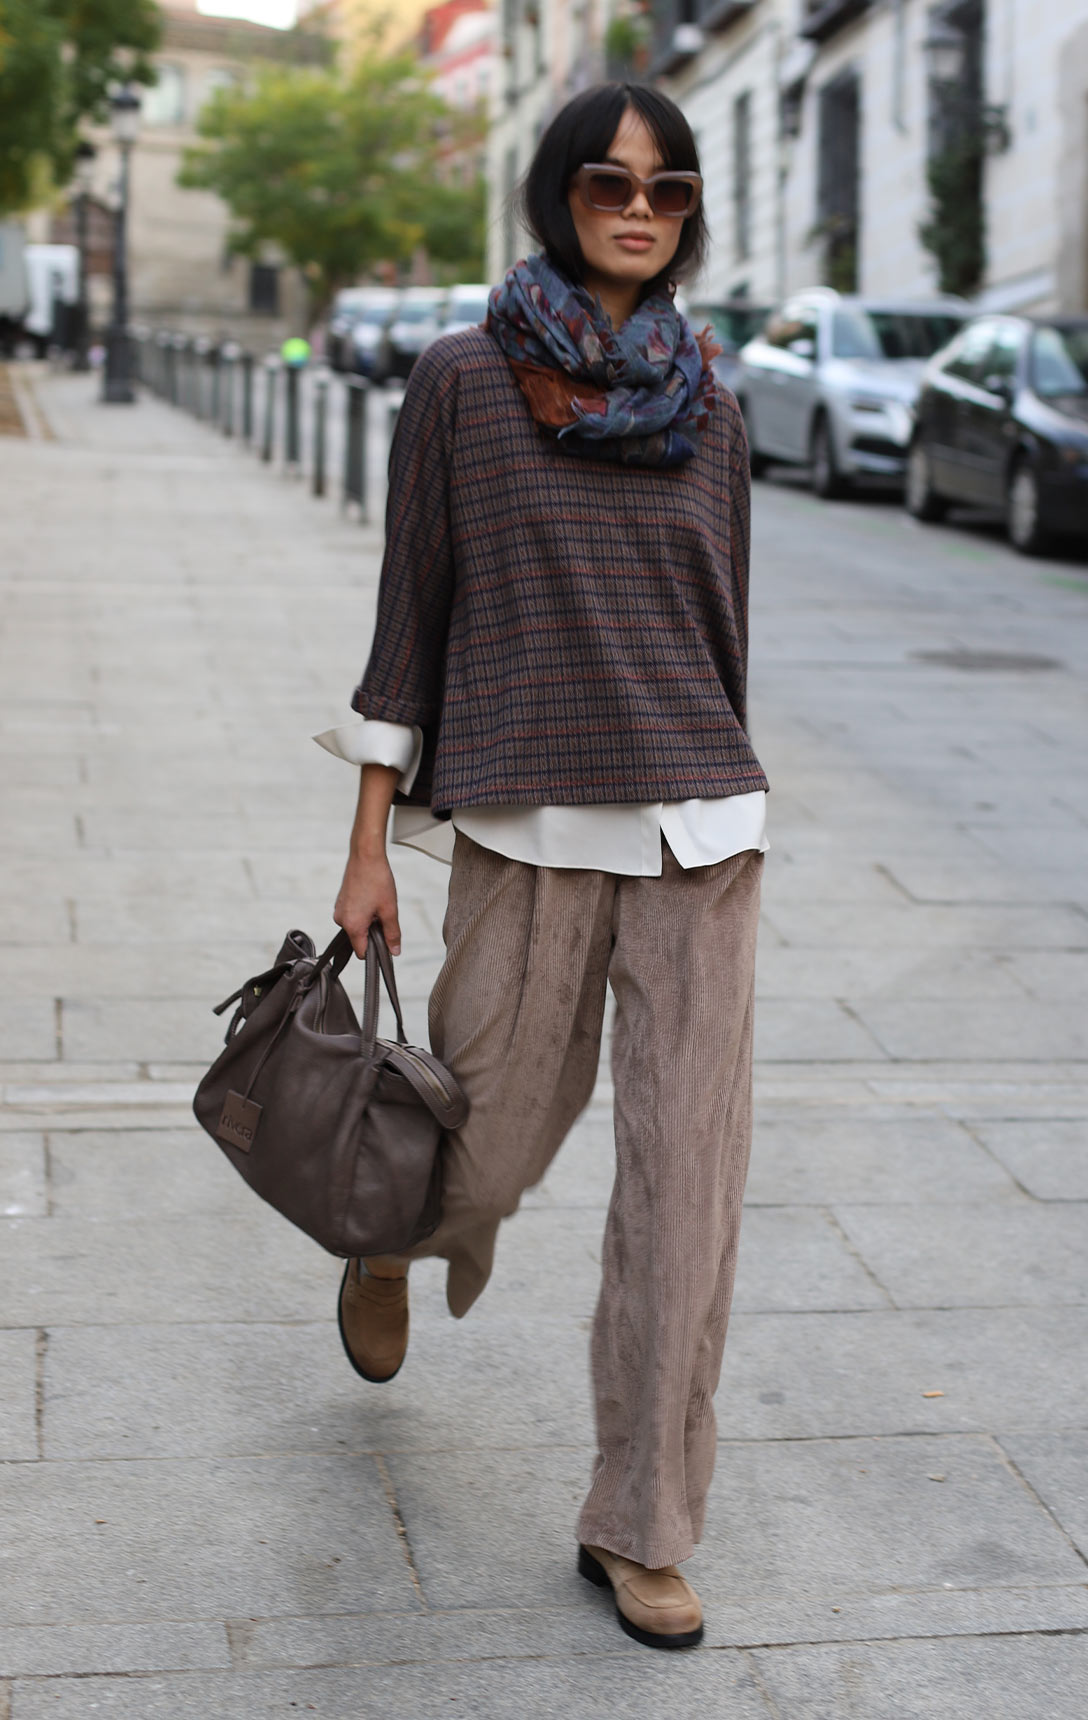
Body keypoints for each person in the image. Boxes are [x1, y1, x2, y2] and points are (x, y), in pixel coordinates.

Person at [316, 81, 768, 1652]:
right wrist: (369, 845)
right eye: (607, 182)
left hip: (700, 836)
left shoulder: (716, 406)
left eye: (668, 188)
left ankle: (641, 1525)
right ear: (555, 195)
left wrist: (733, 777)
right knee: (486, 1152)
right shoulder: (461, 381)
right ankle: (389, 1235)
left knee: (686, 1201)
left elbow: (728, 629)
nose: (639, 209)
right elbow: (410, 621)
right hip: (526, 826)